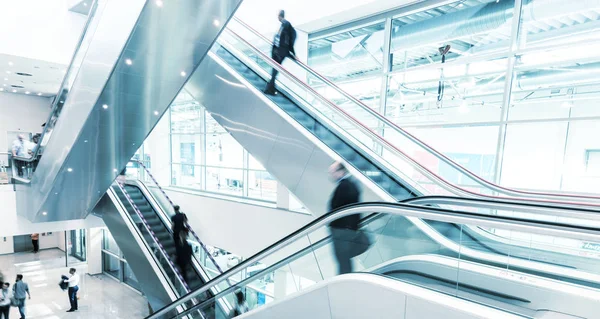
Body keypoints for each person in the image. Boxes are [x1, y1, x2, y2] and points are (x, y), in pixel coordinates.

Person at [327, 161, 369, 275]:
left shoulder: (345, 186)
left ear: (341, 171)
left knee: (343, 261)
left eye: (332, 172)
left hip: (342, 231)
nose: (331, 175)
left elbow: (338, 208)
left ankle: (343, 282)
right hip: (346, 230)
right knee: (345, 261)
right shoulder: (352, 184)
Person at [263, 10, 297, 95]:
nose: (277, 17)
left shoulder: (285, 24)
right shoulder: (284, 25)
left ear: (280, 16)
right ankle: (270, 89)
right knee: (275, 70)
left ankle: (269, 89)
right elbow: (287, 42)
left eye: (278, 16)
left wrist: (293, 54)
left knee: (275, 70)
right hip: (280, 51)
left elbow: (287, 41)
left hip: (280, 52)